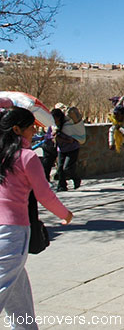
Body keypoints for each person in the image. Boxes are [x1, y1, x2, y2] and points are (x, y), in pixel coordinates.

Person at [0, 107, 73, 326]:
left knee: (18, 296)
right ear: (17, 129)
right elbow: (44, 194)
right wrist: (65, 214)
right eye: (31, 127)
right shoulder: (27, 157)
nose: (34, 131)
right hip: (12, 232)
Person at [52, 107, 84, 192]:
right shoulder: (55, 126)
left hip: (72, 149)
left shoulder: (68, 126)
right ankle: (62, 185)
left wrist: (60, 138)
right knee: (59, 168)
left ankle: (76, 179)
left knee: (67, 168)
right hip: (61, 150)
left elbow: (71, 140)